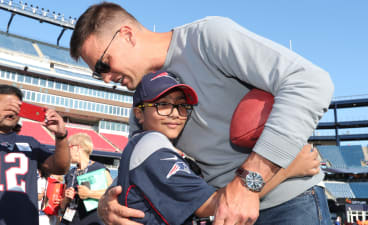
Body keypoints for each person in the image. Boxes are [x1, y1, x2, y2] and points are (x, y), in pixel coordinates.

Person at [70, 2, 334, 225]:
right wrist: (107, 201)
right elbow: (141, 168)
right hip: (225, 213)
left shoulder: (207, 38)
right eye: (97, 72)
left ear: (126, 35)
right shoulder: (143, 100)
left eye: (104, 64)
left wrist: (247, 184)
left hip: (290, 205)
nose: (105, 79)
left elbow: (311, 82)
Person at [115, 71, 321, 225]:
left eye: (181, 105)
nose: (175, 113)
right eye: (163, 104)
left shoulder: (140, 148)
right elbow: (219, 206)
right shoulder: (153, 148)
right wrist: (287, 170)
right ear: (139, 114)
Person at [0, 84, 70, 225]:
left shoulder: (30, 143)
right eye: (5, 107)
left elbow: (60, 168)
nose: (10, 112)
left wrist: (61, 136)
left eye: (16, 108)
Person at [60, 133, 113, 225]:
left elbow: (112, 195)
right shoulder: (70, 173)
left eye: (69, 147)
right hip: (68, 220)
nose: (67, 151)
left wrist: (89, 193)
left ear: (77, 148)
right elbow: (62, 206)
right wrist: (66, 199)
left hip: (91, 221)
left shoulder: (99, 169)